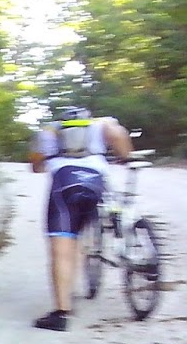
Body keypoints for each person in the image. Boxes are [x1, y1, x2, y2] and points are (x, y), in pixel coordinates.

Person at [28, 105, 133, 331]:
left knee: (62, 246)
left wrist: (42, 162)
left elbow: (35, 165)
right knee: (93, 217)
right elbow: (119, 135)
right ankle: (124, 236)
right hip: (95, 182)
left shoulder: (49, 130)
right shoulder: (101, 123)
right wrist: (125, 157)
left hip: (64, 184)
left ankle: (61, 314)